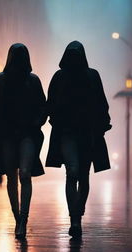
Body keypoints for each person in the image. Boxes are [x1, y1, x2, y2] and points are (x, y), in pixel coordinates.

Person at [0, 43, 46, 239]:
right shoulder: (0, 81)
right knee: (11, 176)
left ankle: (22, 219)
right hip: (6, 136)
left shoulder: (33, 81)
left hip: (26, 135)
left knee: (24, 174)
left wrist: (36, 122)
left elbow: (43, 107)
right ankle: (18, 218)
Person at [46, 41, 112, 237]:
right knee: (73, 172)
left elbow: (101, 102)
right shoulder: (60, 77)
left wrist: (102, 123)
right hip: (67, 133)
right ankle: (75, 219)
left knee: (82, 175)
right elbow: (50, 102)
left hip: (87, 133)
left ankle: (78, 213)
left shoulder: (92, 75)